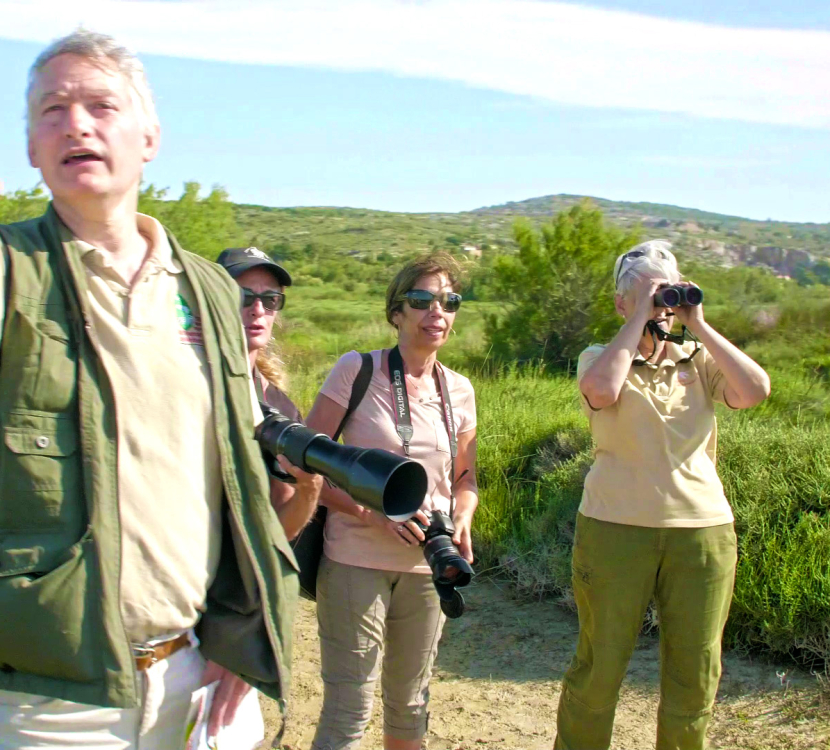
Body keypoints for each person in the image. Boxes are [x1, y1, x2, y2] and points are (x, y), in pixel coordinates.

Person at [0, 29, 321, 749]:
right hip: (49, 700)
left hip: (199, 674)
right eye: (51, 110)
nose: (76, 123)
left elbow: (234, 483)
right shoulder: (12, 271)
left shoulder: (207, 288)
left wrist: (241, 632)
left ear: (149, 137)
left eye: (100, 105)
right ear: (29, 149)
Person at [554, 240, 771, 750]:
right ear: (619, 302)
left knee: (694, 674)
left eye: (668, 293)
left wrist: (697, 323)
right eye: (649, 295)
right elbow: (601, 392)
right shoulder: (599, 358)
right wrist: (638, 322)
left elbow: (754, 391)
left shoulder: (698, 360)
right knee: (599, 667)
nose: (661, 307)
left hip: (702, 533)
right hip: (614, 529)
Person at [304, 253, 479, 750]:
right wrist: (370, 511)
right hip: (355, 559)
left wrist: (462, 518)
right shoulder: (357, 371)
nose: (436, 313)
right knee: (349, 707)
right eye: (421, 300)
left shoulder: (460, 390)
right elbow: (305, 465)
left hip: (428, 567)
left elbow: (465, 479)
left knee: (410, 705)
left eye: (449, 302)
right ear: (396, 312)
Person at [218, 245, 313, 536]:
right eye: (242, 297)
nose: (257, 309)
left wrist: (310, 490)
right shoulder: (184, 384)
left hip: (243, 575)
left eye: (270, 299)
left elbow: (282, 530)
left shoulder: (279, 406)